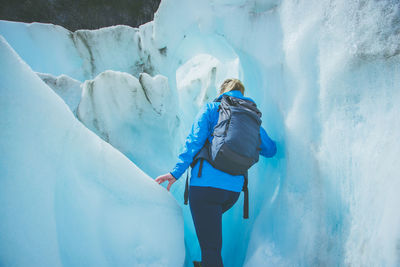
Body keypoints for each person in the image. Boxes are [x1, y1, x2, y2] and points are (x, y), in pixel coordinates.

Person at [155, 79, 277, 267]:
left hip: (205, 189)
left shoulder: (213, 108)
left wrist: (175, 173)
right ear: (241, 93)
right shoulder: (250, 118)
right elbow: (270, 150)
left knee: (210, 248)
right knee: (211, 242)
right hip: (233, 192)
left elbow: (194, 142)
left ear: (222, 91)